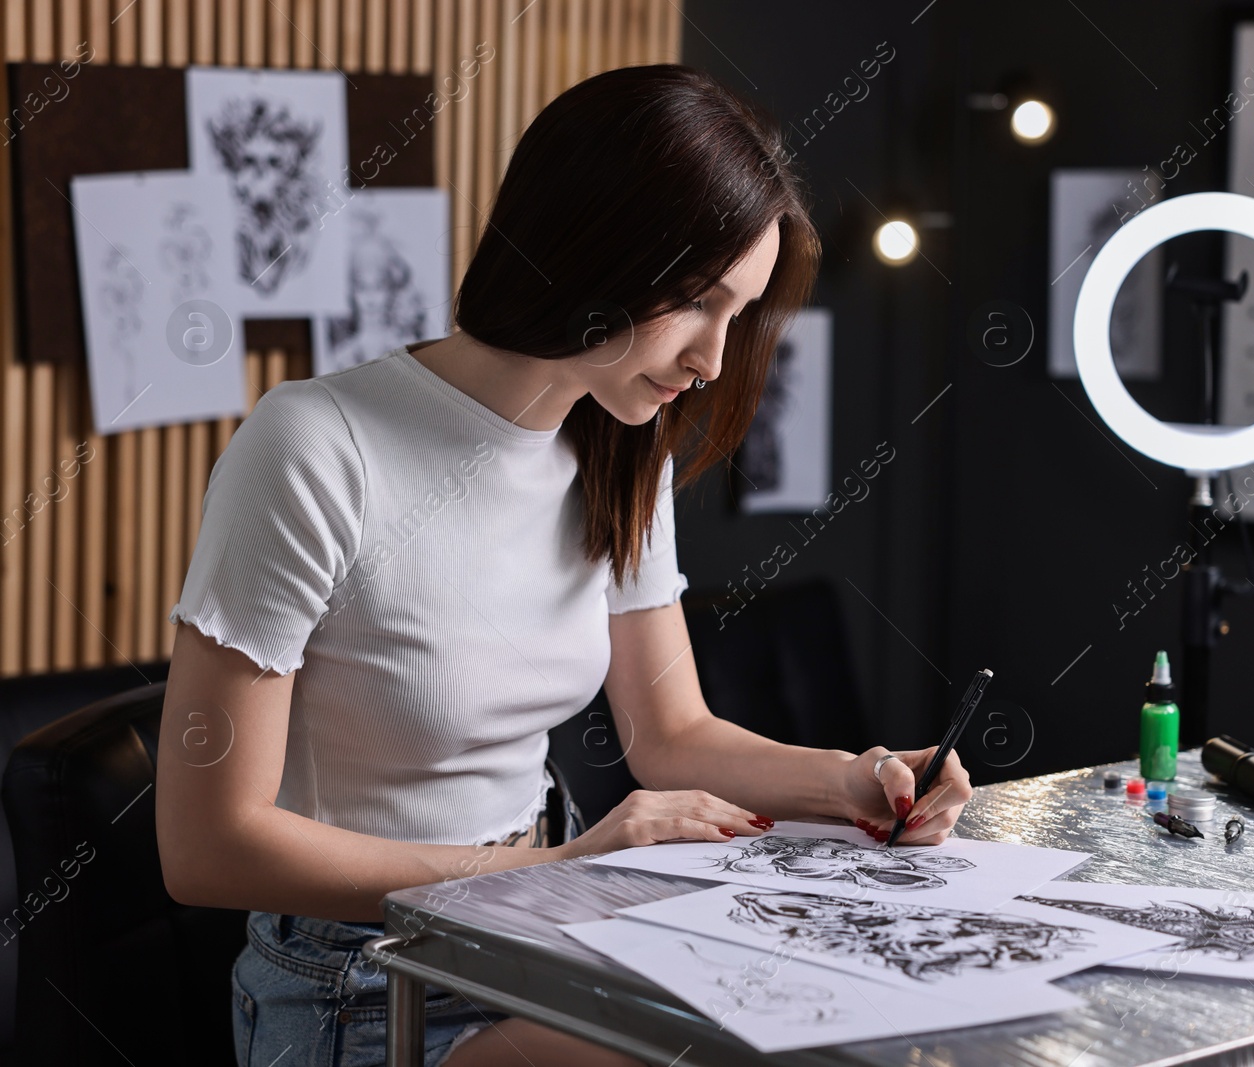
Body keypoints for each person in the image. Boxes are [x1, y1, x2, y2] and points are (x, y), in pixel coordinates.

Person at [154, 64, 974, 1067]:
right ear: (588, 249)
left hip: (545, 924)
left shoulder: (617, 450)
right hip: (362, 980)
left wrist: (856, 778)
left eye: (739, 314)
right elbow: (206, 847)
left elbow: (670, 733)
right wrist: (553, 863)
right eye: (693, 303)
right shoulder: (315, 447)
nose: (714, 360)